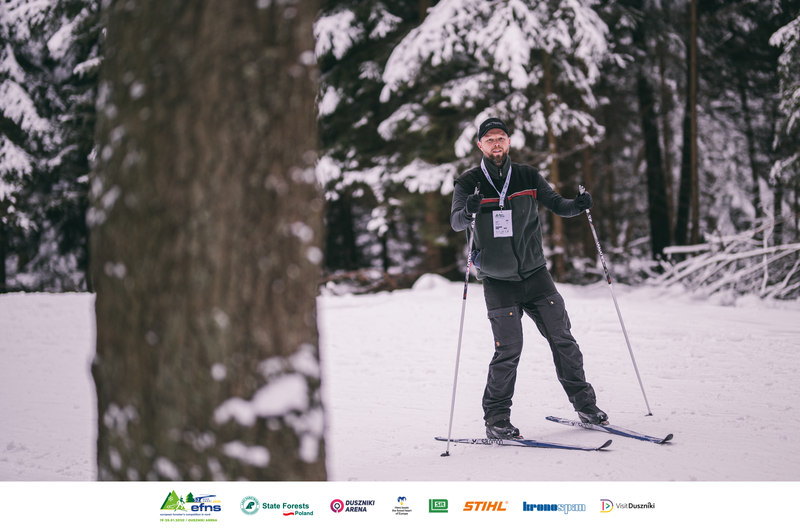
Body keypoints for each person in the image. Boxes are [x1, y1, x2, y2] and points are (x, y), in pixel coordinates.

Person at [450, 117, 607, 439]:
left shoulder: (527, 176)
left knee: (563, 340)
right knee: (508, 351)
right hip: (498, 281)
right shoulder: (469, 182)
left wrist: (577, 206)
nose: (496, 143)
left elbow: (557, 204)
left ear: (509, 142)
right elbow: (456, 222)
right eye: (490, 139)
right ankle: (497, 420)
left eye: (501, 138)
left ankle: (586, 407)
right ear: (480, 145)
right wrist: (468, 210)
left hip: (536, 275)